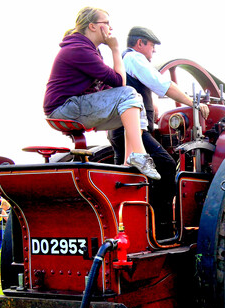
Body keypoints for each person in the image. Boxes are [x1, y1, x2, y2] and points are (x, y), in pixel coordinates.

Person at [107, 26, 210, 238]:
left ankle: (131, 228)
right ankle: (160, 230)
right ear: (140, 43)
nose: (153, 52)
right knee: (165, 165)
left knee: (125, 178)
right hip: (131, 131)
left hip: (117, 131)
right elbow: (162, 84)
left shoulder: (123, 61)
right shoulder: (135, 59)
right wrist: (194, 104)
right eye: (152, 46)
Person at [43, 7, 160, 180]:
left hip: (72, 105)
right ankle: (140, 155)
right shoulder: (79, 49)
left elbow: (109, 88)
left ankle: (130, 161)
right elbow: (120, 82)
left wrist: (138, 103)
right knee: (128, 94)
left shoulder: (88, 50)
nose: (110, 28)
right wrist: (115, 49)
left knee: (134, 103)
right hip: (63, 108)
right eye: (106, 23)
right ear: (92, 26)